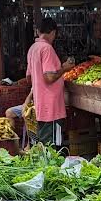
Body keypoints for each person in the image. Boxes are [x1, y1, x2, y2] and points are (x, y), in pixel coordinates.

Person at [25, 17, 73, 145]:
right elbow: (49, 77)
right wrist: (65, 68)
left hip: (40, 105)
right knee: (52, 147)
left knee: (40, 145)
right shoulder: (47, 49)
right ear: (53, 32)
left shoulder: (33, 48)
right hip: (51, 108)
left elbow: (29, 78)